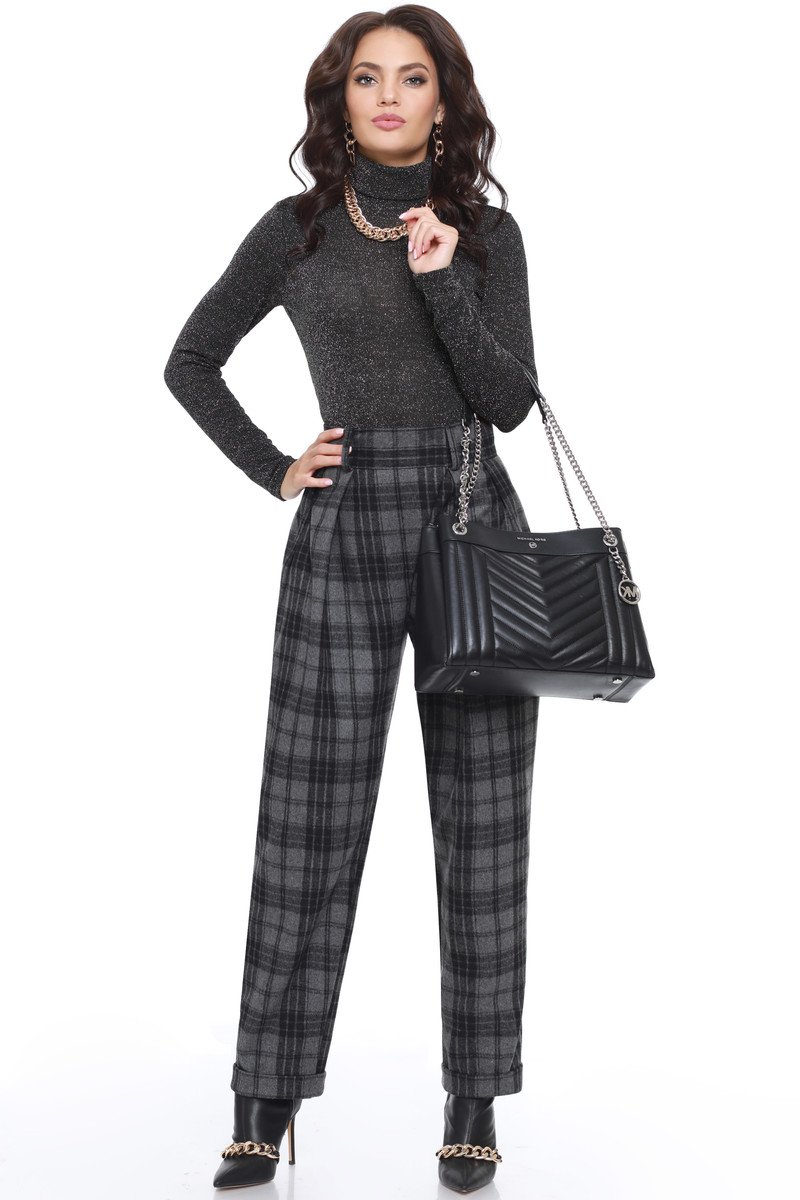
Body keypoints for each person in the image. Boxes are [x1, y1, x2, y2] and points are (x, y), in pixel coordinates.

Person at [163, 5, 540, 1192]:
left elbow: (510, 402)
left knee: (482, 820)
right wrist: (275, 466)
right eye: (366, 77)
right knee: (307, 815)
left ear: (442, 99)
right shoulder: (296, 231)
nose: (386, 96)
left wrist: (441, 279)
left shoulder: (485, 232)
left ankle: (472, 1101)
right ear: (338, 97)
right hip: (345, 517)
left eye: (410, 78)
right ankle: (261, 1100)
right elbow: (189, 359)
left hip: (473, 515)